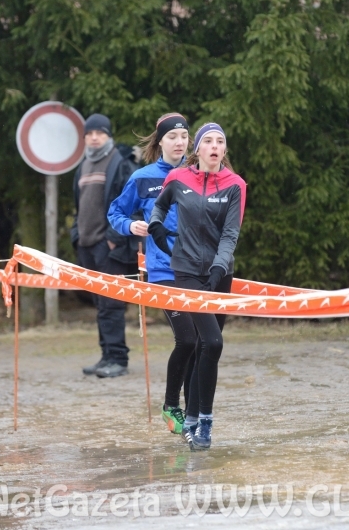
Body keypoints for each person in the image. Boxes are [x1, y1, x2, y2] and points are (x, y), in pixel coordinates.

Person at [149, 122, 246, 451]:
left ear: (224, 150)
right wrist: (156, 225)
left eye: (220, 141)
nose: (215, 146)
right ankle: (205, 421)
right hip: (187, 271)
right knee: (213, 342)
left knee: (207, 347)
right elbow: (160, 205)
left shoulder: (235, 185)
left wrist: (220, 266)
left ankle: (191, 420)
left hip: (221, 273)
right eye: (209, 141)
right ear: (198, 149)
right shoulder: (178, 178)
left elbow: (231, 233)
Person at [107, 112, 198, 434]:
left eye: (184, 137)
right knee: (187, 339)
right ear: (160, 142)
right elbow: (115, 212)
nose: (179, 142)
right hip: (163, 270)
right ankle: (171, 406)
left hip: (197, 269)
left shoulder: (198, 174)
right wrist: (130, 226)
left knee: (203, 342)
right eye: (172, 137)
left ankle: (193, 411)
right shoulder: (142, 177)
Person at [71, 113, 138, 379]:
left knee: (112, 304)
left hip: (109, 246)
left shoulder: (120, 163)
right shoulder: (83, 165)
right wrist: (76, 236)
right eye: (89, 133)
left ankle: (118, 359)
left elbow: (133, 204)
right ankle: (106, 356)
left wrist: (112, 238)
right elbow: (79, 207)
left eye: (99, 132)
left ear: (108, 135)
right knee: (100, 304)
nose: (94, 137)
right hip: (87, 245)